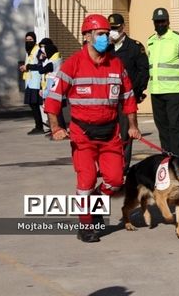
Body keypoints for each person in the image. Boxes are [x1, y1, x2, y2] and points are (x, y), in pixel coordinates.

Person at [44, 14, 141, 243]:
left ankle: (96, 202)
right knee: (86, 181)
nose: (105, 38)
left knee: (116, 181)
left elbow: (128, 98)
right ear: (87, 36)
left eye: (107, 34)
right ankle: (86, 225)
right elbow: (53, 98)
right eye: (100, 34)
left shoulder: (116, 65)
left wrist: (133, 127)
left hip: (110, 134)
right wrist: (56, 127)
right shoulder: (73, 64)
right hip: (82, 135)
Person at [147, 7, 179, 157]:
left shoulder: (177, 39)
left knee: (174, 126)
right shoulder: (151, 41)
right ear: (154, 23)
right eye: (157, 22)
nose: (160, 24)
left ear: (168, 22)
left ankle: (177, 156)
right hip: (156, 90)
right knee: (161, 126)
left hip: (173, 90)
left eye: (163, 21)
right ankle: (166, 155)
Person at [107, 13, 149, 174]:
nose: (113, 32)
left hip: (126, 98)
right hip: (108, 99)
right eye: (110, 29)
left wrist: (136, 92)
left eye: (116, 28)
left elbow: (143, 71)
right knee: (109, 134)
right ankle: (109, 164)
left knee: (125, 134)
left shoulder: (134, 47)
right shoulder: (106, 48)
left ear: (123, 27)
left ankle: (123, 167)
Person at [38, 38, 66, 131]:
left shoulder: (52, 62)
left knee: (55, 112)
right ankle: (59, 129)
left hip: (53, 89)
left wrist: (40, 61)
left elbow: (41, 70)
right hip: (58, 87)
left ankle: (60, 130)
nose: (44, 54)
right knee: (58, 111)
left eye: (45, 52)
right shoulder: (59, 58)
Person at [19, 31, 44, 135]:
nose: (28, 42)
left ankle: (39, 127)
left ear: (35, 40)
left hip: (36, 82)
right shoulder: (29, 51)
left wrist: (27, 67)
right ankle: (38, 126)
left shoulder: (38, 51)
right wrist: (24, 67)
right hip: (30, 82)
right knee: (32, 104)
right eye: (27, 40)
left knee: (35, 104)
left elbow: (40, 65)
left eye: (31, 40)